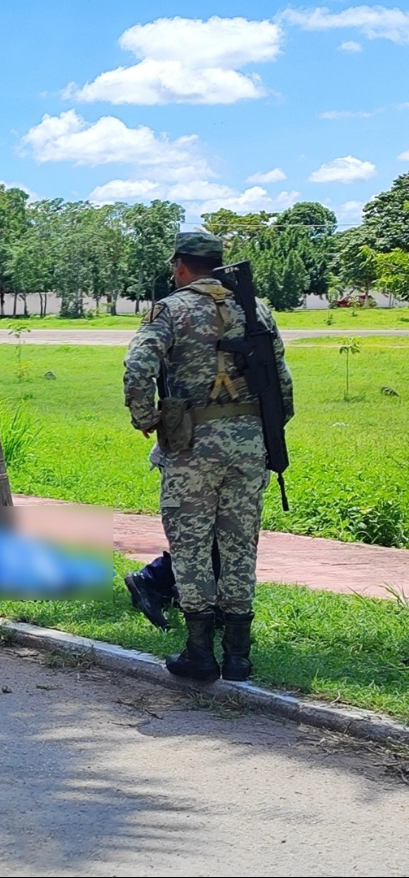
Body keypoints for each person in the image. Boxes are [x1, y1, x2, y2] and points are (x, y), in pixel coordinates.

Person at [123, 230, 293, 682]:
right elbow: (281, 381)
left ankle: (200, 653)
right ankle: (238, 655)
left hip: (191, 445)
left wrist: (145, 418)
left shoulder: (171, 308)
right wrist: (261, 431)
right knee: (239, 545)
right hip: (250, 443)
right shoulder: (255, 309)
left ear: (181, 265)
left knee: (192, 547)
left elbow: (138, 367)